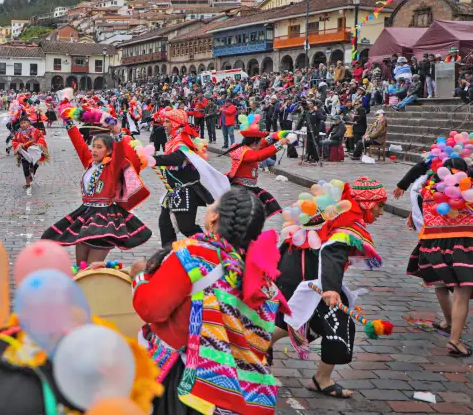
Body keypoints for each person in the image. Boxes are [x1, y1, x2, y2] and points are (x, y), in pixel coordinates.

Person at [132, 187, 287, 415]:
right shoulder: (257, 270)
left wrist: (140, 277)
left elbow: (151, 309)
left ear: (214, 216)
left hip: (186, 378)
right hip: (232, 380)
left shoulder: (193, 256)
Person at [273, 177, 387, 399]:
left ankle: (249, 349)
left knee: (293, 319)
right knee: (338, 323)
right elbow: (332, 255)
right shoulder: (345, 222)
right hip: (309, 278)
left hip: (296, 273)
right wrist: (332, 289)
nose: (382, 212)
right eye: (380, 206)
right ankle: (321, 378)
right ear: (367, 203)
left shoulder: (335, 215)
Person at [405, 157, 473, 357]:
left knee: (440, 284)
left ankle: (448, 321)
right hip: (464, 244)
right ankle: (454, 340)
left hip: (434, 243)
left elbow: (418, 199)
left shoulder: (429, 191)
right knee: (461, 294)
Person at [42, 114, 151, 265]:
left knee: (92, 268)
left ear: (108, 151)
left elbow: (120, 152)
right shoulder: (90, 163)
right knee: (81, 265)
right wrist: (68, 121)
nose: (94, 150)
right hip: (86, 214)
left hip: (105, 217)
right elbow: (79, 144)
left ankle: (97, 287)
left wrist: (117, 133)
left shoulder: (113, 166)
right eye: (93, 146)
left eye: (99, 147)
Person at [151, 108, 228, 247]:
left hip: (185, 191)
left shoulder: (183, 141)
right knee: (165, 224)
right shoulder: (174, 140)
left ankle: (211, 247)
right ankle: (168, 254)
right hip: (174, 191)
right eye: (164, 121)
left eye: (168, 121)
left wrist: (154, 159)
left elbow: (177, 158)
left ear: (176, 123)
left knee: (187, 228)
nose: (164, 124)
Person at [224, 128, 288, 218]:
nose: (260, 145)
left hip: (248, 187)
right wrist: (279, 144)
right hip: (242, 189)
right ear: (254, 144)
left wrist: (274, 136)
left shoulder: (246, 148)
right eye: (258, 143)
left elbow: (261, 145)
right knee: (245, 215)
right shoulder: (245, 153)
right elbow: (259, 155)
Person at [11, 116, 48, 192]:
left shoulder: (35, 131)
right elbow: (14, 141)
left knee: (35, 166)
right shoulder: (18, 133)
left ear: (28, 122)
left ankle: (31, 173)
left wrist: (38, 144)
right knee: (25, 167)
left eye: (24, 122)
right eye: (21, 123)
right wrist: (18, 145)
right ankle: (27, 183)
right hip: (24, 154)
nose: (23, 125)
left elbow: (41, 138)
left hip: (34, 153)